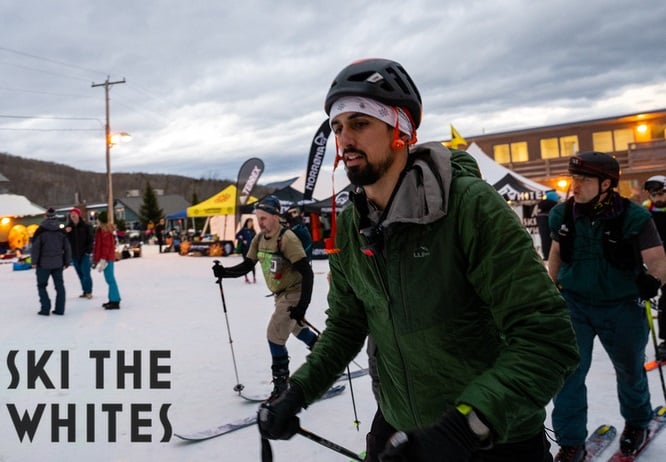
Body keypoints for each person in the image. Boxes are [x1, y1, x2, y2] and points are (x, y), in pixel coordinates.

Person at [256, 58, 579, 462]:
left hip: (492, 437)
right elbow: (346, 326)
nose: (344, 139)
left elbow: (548, 338)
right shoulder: (352, 225)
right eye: (337, 128)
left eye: (360, 123)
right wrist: (297, 393)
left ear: (401, 130)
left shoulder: (470, 207)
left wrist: (466, 426)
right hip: (399, 432)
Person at [548, 152, 666, 461]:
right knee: (569, 374)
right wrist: (550, 290)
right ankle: (571, 442)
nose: (575, 186)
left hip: (622, 306)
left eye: (583, 180)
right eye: (574, 179)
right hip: (575, 305)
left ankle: (638, 423)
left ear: (606, 184)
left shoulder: (635, 216)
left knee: (629, 371)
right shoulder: (563, 214)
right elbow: (557, 255)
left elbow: (657, 259)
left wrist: (652, 280)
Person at [212, 195, 318, 398]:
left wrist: (301, 307)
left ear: (276, 217)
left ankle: (281, 389)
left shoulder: (286, 238)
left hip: (294, 292)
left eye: (264, 218)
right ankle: (325, 356)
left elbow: (307, 273)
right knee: (296, 328)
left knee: (274, 335)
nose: (259, 222)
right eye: (257, 218)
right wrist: (224, 272)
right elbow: (247, 265)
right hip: (280, 294)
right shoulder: (259, 239)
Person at [31, 208, 72, 316]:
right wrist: (67, 261)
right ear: (55, 216)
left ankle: (45, 308)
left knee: (42, 286)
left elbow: (35, 248)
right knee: (59, 286)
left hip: (43, 264)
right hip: (58, 263)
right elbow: (67, 247)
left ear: (45, 216)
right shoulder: (60, 231)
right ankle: (60, 309)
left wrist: (34, 262)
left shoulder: (40, 231)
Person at [642, 175, 666, 360]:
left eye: (660, 194)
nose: (657, 198)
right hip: (660, 264)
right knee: (665, 303)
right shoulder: (646, 212)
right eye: (653, 194)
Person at [92, 211, 122, 310]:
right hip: (106, 258)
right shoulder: (102, 231)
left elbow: (106, 246)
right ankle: (112, 299)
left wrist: (103, 258)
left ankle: (115, 300)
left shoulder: (106, 232)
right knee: (109, 279)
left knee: (110, 279)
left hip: (107, 258)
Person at [65, 207, 94, 299]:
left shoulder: (85, 226)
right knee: (80, 274)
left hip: (84, 254)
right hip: (74, 254)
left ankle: (89, 291)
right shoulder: (68, 228)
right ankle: (84, 291)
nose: (73, 215)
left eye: (75, 214)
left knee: (86, 273)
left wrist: (88, 251)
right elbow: (63, 240)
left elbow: (91, 239)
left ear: (78, 215)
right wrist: (65, 232)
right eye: (71, 214)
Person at [536, 191, 560, 261]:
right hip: (554, 252)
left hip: (546, 253)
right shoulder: (555, 206)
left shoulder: (541, 206)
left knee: (544, 239)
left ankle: (546, 255)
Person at [235, 217, 257, 283]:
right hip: (244, 249)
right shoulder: (243, 230)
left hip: (252, 250)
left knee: (252, 264)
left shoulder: (253, 231)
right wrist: (242, 240)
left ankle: (254, 277)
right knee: (245, 264)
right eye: (249, 222)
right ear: (247, 223)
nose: (250, 223)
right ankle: (246, 278)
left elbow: (256, 240)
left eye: (251, 222)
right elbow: (237, 236)